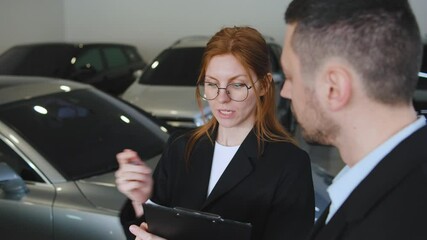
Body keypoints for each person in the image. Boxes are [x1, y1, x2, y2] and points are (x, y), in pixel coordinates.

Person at [115, 26, 315, 240]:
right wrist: (141, 199)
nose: (222, 98)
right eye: (212, 84)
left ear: (264, 85)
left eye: (237, 84)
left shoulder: (289, 165)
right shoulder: (181, 147)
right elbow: (145, 233)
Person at [281, 0, 427, 239]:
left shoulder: (395, 225)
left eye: (290, 76)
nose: (285, 91)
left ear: (333, 88)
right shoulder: (387, 181)